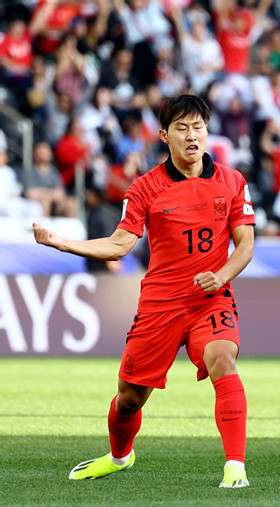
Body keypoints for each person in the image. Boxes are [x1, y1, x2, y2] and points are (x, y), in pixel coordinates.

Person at [32, 95, 256, 488]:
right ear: (164, 135)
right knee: (129, 399)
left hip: (210, 299)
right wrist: (65, 244)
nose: (192, 136)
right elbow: (120, 244)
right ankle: (120, 457)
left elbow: (246, 246)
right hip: (160, 305)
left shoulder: (232, 181)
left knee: (224, 359)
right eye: (182, 128)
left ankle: (235, 468)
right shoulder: (145, 188)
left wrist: (220, 277)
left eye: (198, 127)